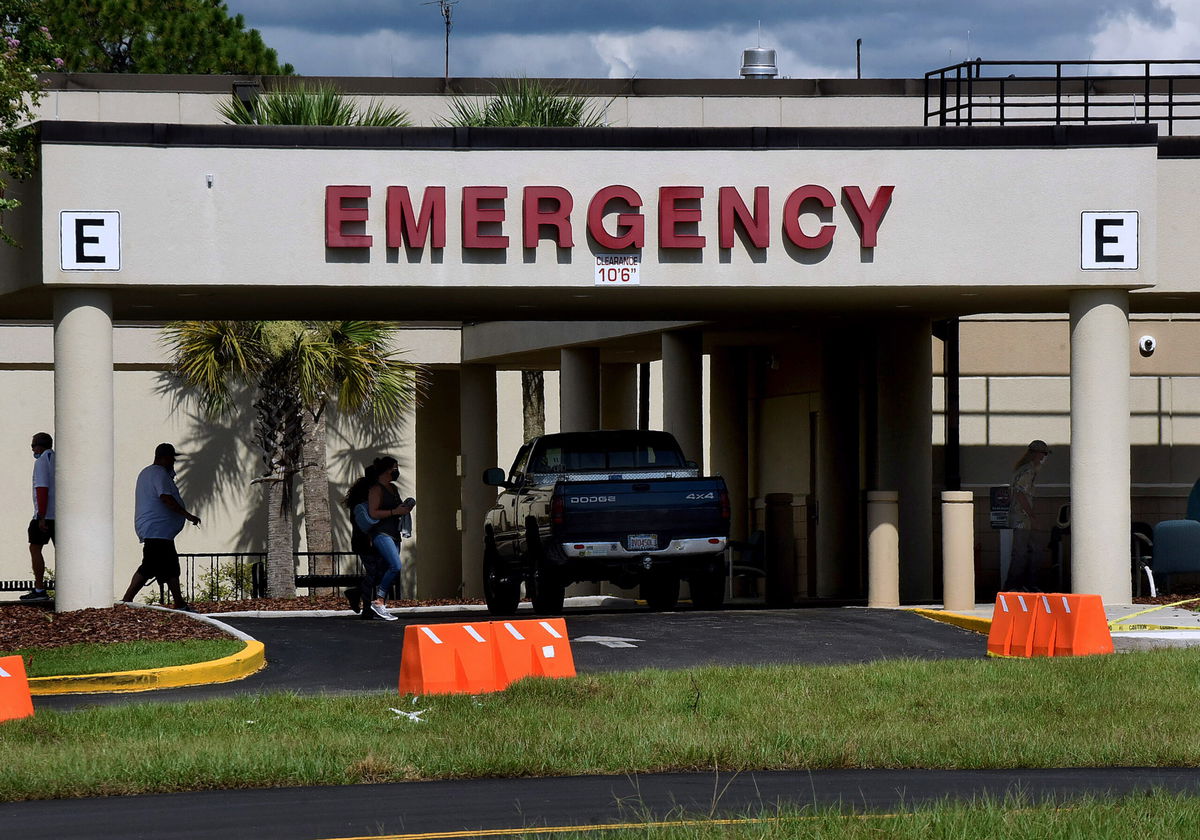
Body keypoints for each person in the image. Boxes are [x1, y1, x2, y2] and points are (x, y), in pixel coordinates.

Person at [121, 443, 201, 611]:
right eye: (172, 458)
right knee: (151, 566)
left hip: (159, 531)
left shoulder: (147, 473)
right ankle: (127, 600)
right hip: (157, 530)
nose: (173, 462)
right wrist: (187, 515)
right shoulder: (159, 473)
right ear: (164, 457)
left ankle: (179, 603)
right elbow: (165, 497)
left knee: (168, 566)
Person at [342, 456, 413, 621]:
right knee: (375, 573)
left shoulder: (383, 489)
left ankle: (361, 597)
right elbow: (364, 519)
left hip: (376, 537)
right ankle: (367, 606)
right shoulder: (368, 492)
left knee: (379, 573)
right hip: (368, 539)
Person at [1005, 439, 1051, 592]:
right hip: (1022, 519)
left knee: (1029, 551)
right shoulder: (1028, 470)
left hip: (1020, 517)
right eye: (1043, 454)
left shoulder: (1022, 469)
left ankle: (1025, 584)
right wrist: (1032, 517)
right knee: (1021, 553)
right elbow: (1020, 494)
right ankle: (1015, 586)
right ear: (1036, 454)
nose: (1044, 458)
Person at [20, 432, 55, 602]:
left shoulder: (41, 462)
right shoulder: (56, 459)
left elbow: (42, 488)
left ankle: (39, 588)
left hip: (45, 514)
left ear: (39, 446)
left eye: (33, 445)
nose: (32, 448)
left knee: (35, 548)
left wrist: (41, 516)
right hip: (59, 513)